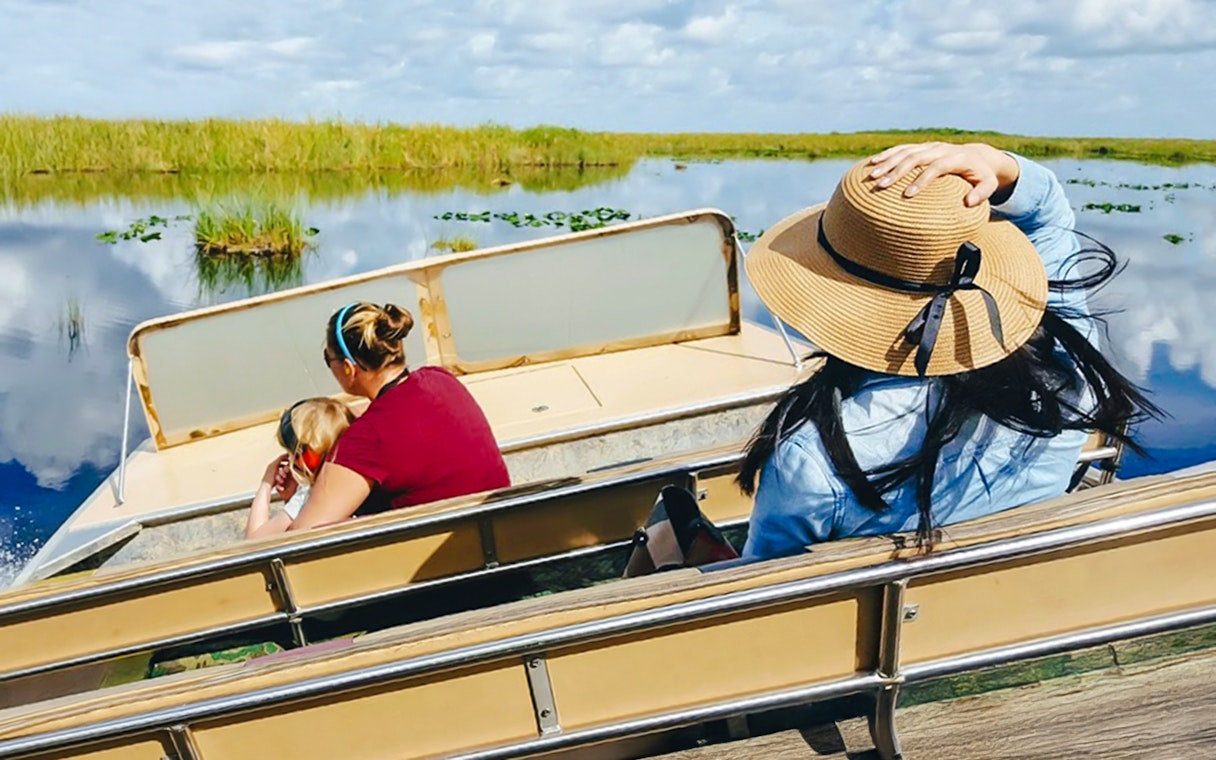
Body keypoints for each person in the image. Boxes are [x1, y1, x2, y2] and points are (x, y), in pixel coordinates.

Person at [738, 142, 1160, 561]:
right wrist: (993, 160)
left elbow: (763, 585)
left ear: (830, 294)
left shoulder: (812, 457)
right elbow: (1048, 212)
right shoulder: (1067, 373)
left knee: (673, 527)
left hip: (884, 623)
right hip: (1016, 601)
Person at [283, 301, 510, 531]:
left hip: (454, 556)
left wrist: (299, 494)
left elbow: (299, 540)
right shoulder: (441, 379)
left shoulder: (367, 437)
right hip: (508, 530)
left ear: (349, 368)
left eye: (327, 359)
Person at [246, 397, 355, 539]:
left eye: (294, 453)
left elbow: (254, 541)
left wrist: (266, 484)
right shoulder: (354, 479)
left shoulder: (308, 495)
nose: (291, 459)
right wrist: (289, 497)